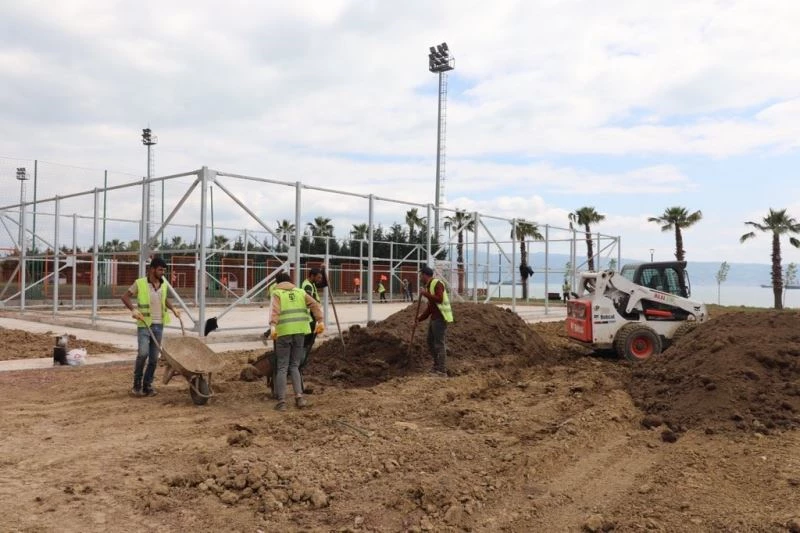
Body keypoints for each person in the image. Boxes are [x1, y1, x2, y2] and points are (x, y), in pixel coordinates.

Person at [121, 256, 181, 397]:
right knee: (143, 354)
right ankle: (136, 386)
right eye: (160, 270)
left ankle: (147, 385)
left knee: (154, 358)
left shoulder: (163, 284)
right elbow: (125, 297)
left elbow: (164, 299)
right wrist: (133, 310)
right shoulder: (140, 283)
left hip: (159, 325)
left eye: (164, 270)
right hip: (144, 325)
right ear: (152, 269)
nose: (162, 273)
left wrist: (173, 308)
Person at [269, 271, 323, 411]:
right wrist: (320, 321)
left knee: (282, 367)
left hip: (284, 332)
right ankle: (299, 398)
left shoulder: (277, 293)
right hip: (300, 332)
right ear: (290, 281)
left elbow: (275, 311)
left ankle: (282, 402)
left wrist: (272, 326)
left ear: (277, 282)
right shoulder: (300, 292)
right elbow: (315, 304)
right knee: (294, 365)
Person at [416, 266, 454, 376]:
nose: (420, 278)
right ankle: (437, 365)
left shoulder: (437, 283)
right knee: (430, 341)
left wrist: (425, 294)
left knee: (439, 344)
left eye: (420, 275)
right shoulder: (429, 287)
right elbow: (430, 308)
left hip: (440, 318)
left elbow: (440, 299)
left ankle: (442, 370)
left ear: (425, 275)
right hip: (434, 318)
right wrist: (419, 319)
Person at [300, 267, 327, 388]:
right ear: (312, 276)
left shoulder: (312, 284)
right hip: (309, 319)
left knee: (308, 342)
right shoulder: (307, 286)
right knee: (306, 343)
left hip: (311, 318)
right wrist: (318, 317)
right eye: (318, 277)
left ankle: (302, 362)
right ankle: (301, 363)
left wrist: (323, 271)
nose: (320, 279)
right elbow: (310, 302)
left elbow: (325, 284)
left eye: (321, 277)